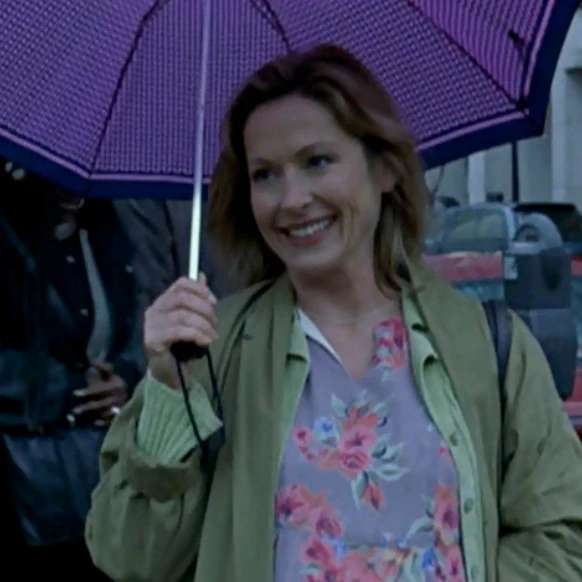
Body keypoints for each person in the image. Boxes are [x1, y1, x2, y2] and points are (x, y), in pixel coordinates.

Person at [86, 45, 582, 582]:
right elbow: (131, 558)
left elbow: (561, 537)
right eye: (264, 174)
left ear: (385, 169)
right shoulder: (210, 351)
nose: (292, 199)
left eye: (316, 162)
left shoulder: (485, 343)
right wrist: (168, 393)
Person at [0, 164, 145, 581]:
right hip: (31, 481)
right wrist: (68, 389)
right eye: (57, 179)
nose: (71, 192)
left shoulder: (107, 235)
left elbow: (135, 315)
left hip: (103, 475)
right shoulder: (10, 244)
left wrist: (126, 375)